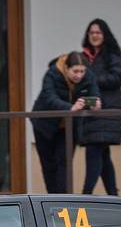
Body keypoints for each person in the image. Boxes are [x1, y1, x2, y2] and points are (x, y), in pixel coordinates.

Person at [30, 51, 100, 194]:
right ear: (66, 68)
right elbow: (49, 97)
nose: (79, 75)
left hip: (68, 128)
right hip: (44, 125)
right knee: (49, 165)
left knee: (64, 164)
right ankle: (52, 200)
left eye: (82, 71)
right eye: (75, 71)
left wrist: (94, 102)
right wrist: (70, 108)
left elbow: (95, 94)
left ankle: (63, 202)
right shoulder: (52, 73)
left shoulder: (89, 76)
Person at [79, 19, 121, 195]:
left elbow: (119, 77)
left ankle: (86, 194)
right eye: (91, 33)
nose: (94, 36)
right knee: (103, 154)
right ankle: (113, 195)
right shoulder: (86, 56)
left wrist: (92, 80)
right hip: (92, 111)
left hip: (107, 110)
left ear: (105, 34)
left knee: (94, 149)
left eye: (98, 32)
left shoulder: (113, 54)